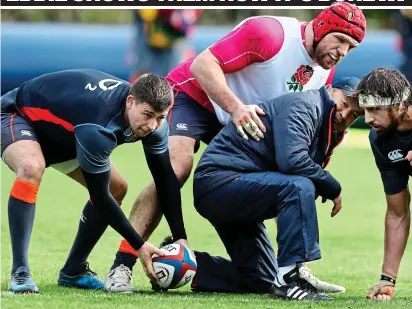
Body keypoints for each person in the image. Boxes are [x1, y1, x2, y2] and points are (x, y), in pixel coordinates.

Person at [105, 2, 367, 293]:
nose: (343, 51)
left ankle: (285, 272)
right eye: (341, 40)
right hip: (197, 97)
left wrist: (293, 259)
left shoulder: (324, 76)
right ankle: (122, 265)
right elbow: (201, 65)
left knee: (270, 191)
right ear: (321, 26)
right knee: (176, 169)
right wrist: (235, 108)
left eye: (351, 48)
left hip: (239, 122)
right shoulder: (271, 33)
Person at [0, 70, 189, 294]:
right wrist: (138, 244)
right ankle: (20, 271)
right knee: (31, 167)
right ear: (130, 102)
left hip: (67, 133)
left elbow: (165, 179)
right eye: (147, 115)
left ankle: (74, 271)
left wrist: (181, 238)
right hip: (17, 114)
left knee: (117, 188)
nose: (152, 125)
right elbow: (100, 199)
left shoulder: (155, 125)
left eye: (160, 117)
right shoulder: (98, 125)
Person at [185, 76, 363, 300]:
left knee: (261, 279)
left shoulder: (325, 122)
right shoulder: (307, 105)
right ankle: (290, 279)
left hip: (238, 187)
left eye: (355, 115)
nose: (345, 114)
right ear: (329, 89)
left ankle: (183, 262)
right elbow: (293, 161)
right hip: (219, 183)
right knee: (299, 186)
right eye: (345, 104)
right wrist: (332, 186)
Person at [355, 68, 411, 301]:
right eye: (365, 110)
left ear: (399, 105)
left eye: (374, 110)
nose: (367, 119)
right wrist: (387, 279)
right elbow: (397, 213)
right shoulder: (379, 140)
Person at [127, 9, 203, 83]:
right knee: (141, 72)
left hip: (175, 37)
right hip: (149, 31)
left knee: (176, 75)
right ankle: (137, 92)